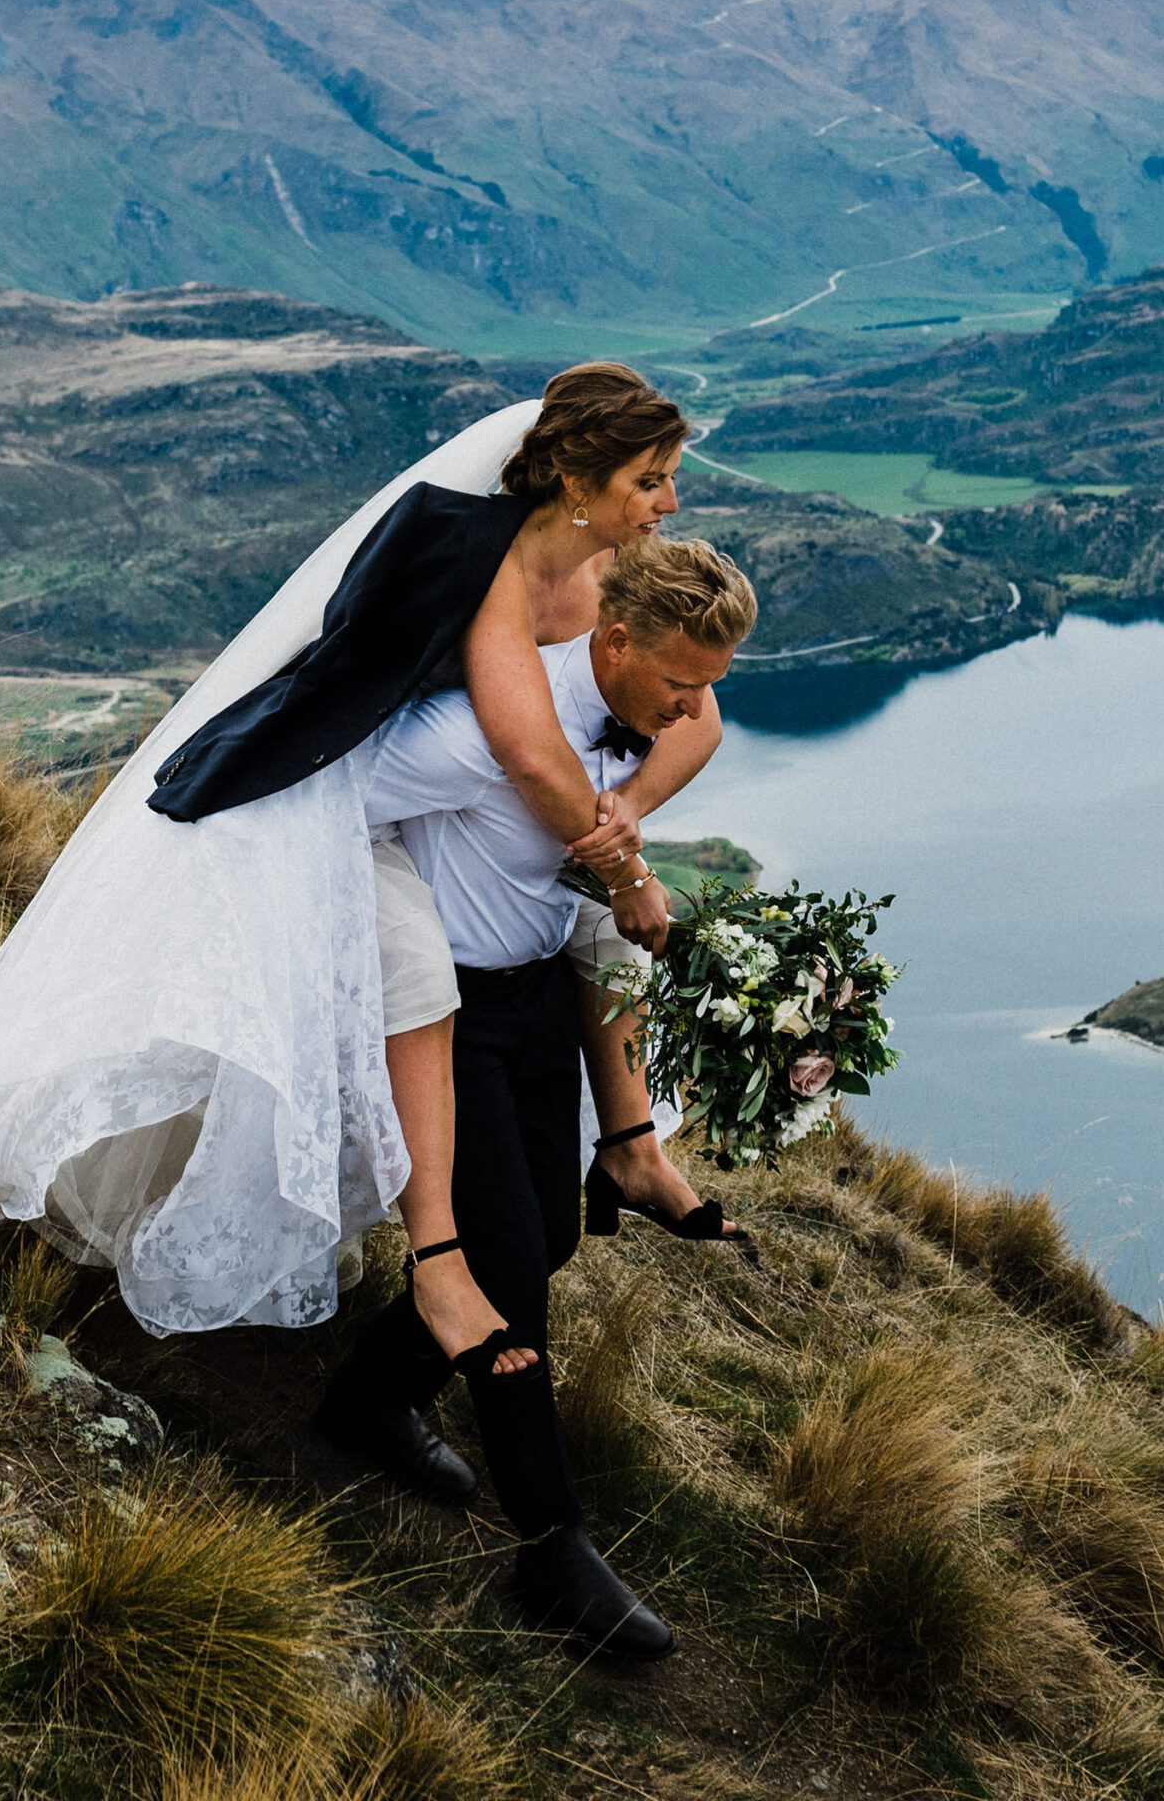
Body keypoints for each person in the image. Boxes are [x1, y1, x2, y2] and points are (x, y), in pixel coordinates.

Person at [0, 371, 729, 1346]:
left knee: (563, 951)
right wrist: (625, 868)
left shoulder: (621, 575)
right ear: (576, 477)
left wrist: (626, 807)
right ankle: (437, 1257)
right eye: (651, 478)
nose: (672, 501)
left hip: (418, 821)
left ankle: (617, 1152)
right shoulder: (480, 555)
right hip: (319, 801)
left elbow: (697, 709)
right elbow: (525, 748)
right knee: (418, 982)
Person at [318, 536, 760, 1660]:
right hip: (445, 1016)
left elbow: (654, 776)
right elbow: (332, 797)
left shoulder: (634, 720)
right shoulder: (478, 735)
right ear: (614, 642)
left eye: (711, 684)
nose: (697, 709)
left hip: (531, 1003)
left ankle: (368, 1400)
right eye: (682, 684)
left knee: (554, 1232)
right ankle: (552, 1545)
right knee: (506, 1260)